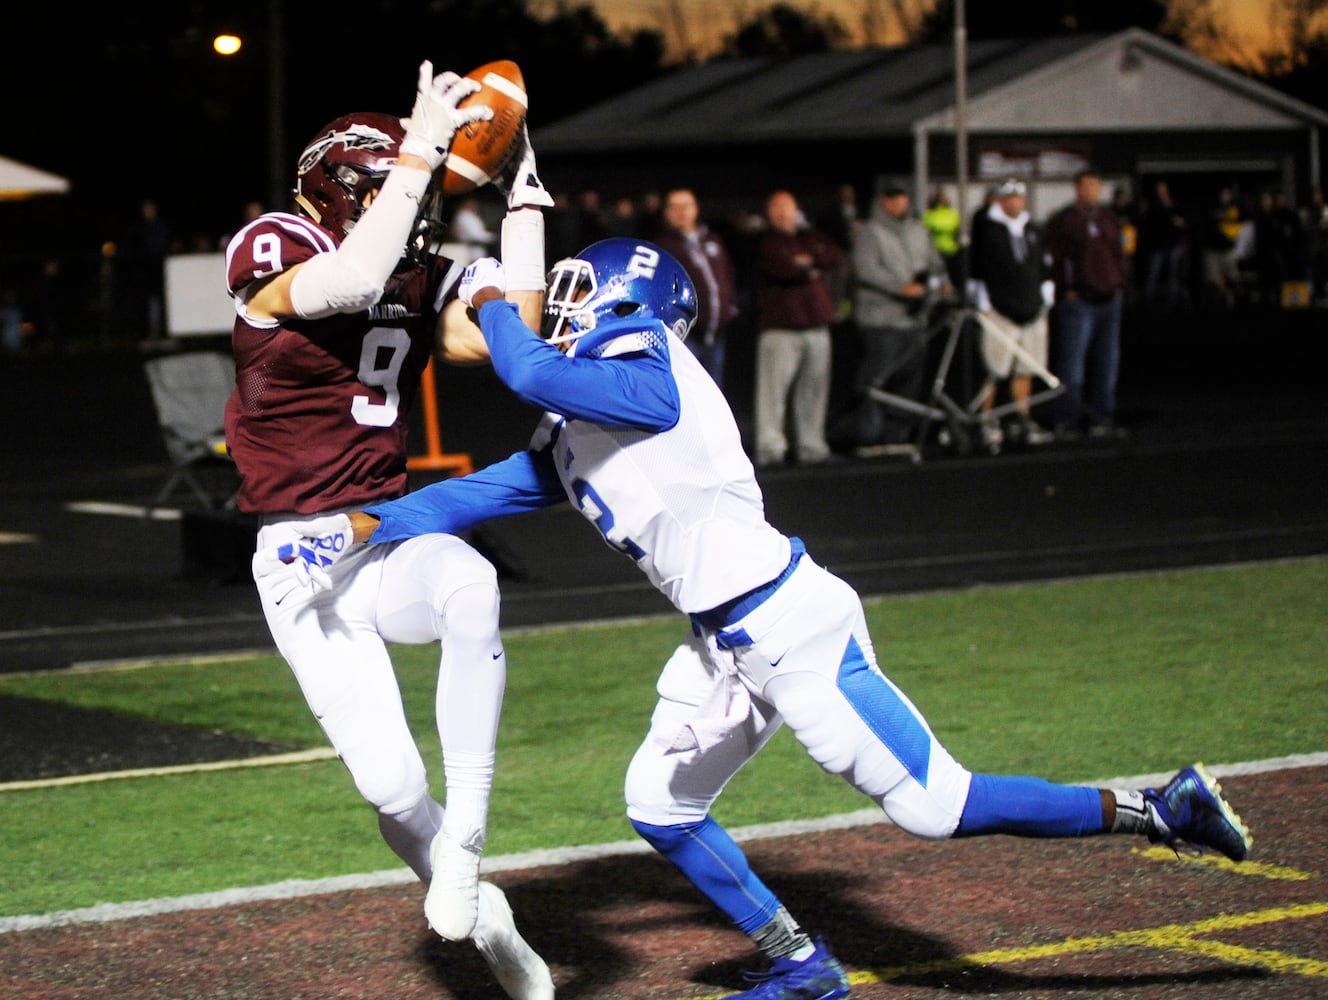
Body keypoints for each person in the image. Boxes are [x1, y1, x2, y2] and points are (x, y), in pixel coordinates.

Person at [270, 238, 1253, 1000]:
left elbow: (526, 370)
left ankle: (1157, 804)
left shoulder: (648, 360)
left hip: (790, 626)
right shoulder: (578, 419)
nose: (556, 306)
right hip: (721, 641)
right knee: (658, 805)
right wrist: (364, 523)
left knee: (932, 806)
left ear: (628, 309)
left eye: (578, 294)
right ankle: (802, 960)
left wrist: (486, 290)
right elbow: (473, 494)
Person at [221, 62, 554, 999]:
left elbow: (514, 346)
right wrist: (415, 153)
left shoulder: (416, 263)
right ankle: (486, 912)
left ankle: (470, 842)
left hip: (380, 534)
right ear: (342, 187)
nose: (415, 214)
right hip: (297, 560)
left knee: (471, 585)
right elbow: (353, 274)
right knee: (394, 792)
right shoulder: (272, 243)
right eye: (389, 194)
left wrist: (524, 198)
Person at [850, 179, 951, 456]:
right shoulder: (871, 231)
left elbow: (934, 262)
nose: (897, 202)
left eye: (901, 197)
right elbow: (866, 269)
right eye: (891, 198)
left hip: (915, 319)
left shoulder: (918, 230)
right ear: (883, 201)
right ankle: (869, 438)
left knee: (909, 380)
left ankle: (898, 436)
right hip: (882, 319)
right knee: (877, 380)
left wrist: (942, 282)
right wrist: (901, 287)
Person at [752, 190, 843, 468]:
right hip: (781, 328)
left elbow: (833, 256)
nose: (782, 213)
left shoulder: (809, 236)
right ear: (769, 213)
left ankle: (812, 447)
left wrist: (808, 260)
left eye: (787, 207)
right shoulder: (766, 241)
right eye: (776, 208)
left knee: (813, 392)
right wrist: (808, 265)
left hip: (816, 325)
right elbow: (783, 269)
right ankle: (771, 449)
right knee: (773, 394)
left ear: (797, 210)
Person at [967, 178, 1056, 451]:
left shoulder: (1033, 229)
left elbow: (1043, 265)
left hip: (1031, 311)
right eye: (1009, 197)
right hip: (1000, 311)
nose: (1014, 202)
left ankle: (1022, 418)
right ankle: (986, 420)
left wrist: (1046, 298)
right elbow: (975, 270)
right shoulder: (987, 229)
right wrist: (982, 305)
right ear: (1000, 200)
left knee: (1025, 369)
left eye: (1019, 197)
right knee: (994, 369)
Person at [1044, 168, 1128, 439]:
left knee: (1107, 363)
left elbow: (1119, 253)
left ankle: (1102, 418)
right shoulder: (1066, 219)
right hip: (1079, 300)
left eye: (1096, 186)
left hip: (1109, 299)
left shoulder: (1107, 217)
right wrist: (1066, 289)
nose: (1092, 191)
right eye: (1087, 186)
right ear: (1077, 188)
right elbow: (1056, 258)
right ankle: (1066, 419)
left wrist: (1119, 284)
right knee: (1072, 365)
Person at [653, 187, 739, 388]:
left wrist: (729, 307)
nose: (682, 212)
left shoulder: (711, 239)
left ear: (696, 209)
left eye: (687, 206)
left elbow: (726, 273)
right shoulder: (663, 246)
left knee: (713, 390)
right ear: (666, 212)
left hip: (717, 333)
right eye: (675, 207)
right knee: (686, 390)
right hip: (686, 337)